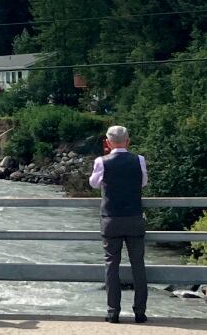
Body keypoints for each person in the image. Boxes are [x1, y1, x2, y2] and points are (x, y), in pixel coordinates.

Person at [89, 125, 148, 324]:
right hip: (134, 218)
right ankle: (140, 312)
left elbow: (94, 184)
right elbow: (143, 182)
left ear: (107, 142)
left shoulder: (101, 161)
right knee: (138, 265)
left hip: (111, 220)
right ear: (128, 141)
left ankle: (113, 312)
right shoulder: (139, 160)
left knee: (111, 266)